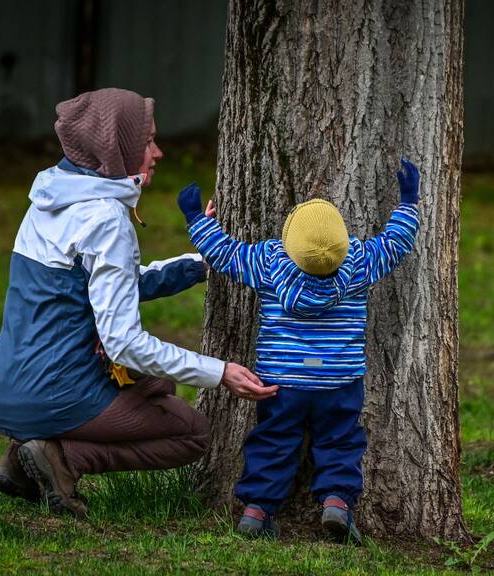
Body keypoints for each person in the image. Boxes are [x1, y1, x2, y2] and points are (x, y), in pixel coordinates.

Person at [0, 88, 277, 518]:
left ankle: (26, 455)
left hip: (3, 386)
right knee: (191, 433)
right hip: (51, 393)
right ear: (115, 147)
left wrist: (202, 263)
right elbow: (124, 344)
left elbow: (110, 286)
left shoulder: (50, 199)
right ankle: (61, 458)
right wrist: (219, 372)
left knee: (156, 386)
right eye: (147, 142)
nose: (157, 153)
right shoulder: (104, 218)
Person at [177, 159, 421, 543]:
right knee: (340, 439)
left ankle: (257, 509)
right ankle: (337, 503)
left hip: (282, 380)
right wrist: (408, 202)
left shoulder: (269, 262)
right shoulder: (358, 263)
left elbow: (224, 255)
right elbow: (395, 244)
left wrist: (197, 219)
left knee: (274, 438)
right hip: (339, 379)